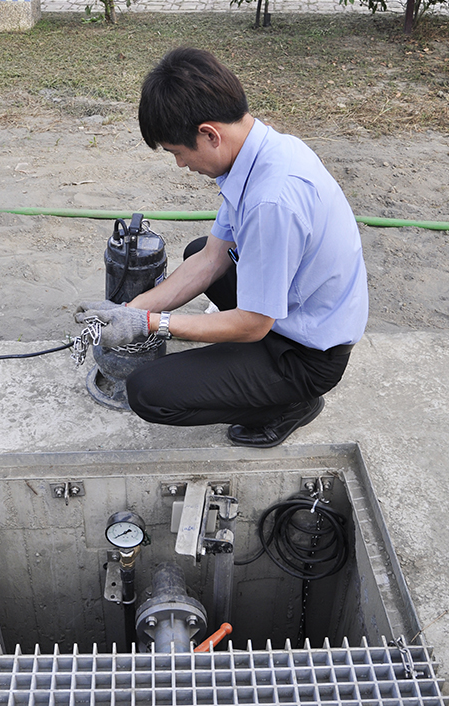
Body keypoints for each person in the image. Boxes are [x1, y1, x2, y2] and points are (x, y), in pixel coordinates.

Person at [75, 47, 368, 448]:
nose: (180, 164)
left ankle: (291, 403)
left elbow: (253, 324)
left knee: (148, 393)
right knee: (199, 248)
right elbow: (212, 258)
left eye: (179, 152)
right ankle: (260, 376)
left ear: (210, 134)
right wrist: (130, 310)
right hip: (295, 314)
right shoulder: (261, 154)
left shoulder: (272, 200)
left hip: (307, 357)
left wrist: (153, 324)